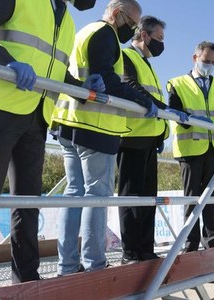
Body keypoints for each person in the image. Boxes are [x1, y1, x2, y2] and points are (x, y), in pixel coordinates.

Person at [0, 0, 102, 292]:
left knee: (28, 205)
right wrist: (7, 63)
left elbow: (54, 69)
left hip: (37, 117)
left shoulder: (66, 18)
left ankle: (26, 279)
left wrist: (82, 87)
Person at [50, 0, 164, 275]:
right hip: (95, 126)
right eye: (132, 24)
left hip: (69, 120)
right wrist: (140, 99)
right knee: (97, 195)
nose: (133, 29)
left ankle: (67, 265)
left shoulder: (84, 31)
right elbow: (110, 79)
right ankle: (95, 264)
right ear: (116, 14)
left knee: (74, 194)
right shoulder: (105, 33)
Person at [117, 16, 188, 264]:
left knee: (148, 198)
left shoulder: (147, 63)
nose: (161, 44)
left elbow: (151, 97)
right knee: (131, 197)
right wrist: (161, 108)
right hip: (132, 136)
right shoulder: (127, 56)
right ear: (144, 35)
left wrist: (161, 128)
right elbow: (130, 86)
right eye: (159, 38)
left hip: (150, 137)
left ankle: (145, 249)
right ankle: (131, 252)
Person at [167, 41, 214, 252]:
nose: (210, 66)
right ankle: (190, 247)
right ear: (194, 58)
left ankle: (211, 247)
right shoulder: (176, 83)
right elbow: (174, 111)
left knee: (212, 202)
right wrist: (193, 120)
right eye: (206, 61)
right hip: (190, 151)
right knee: (192, 201)